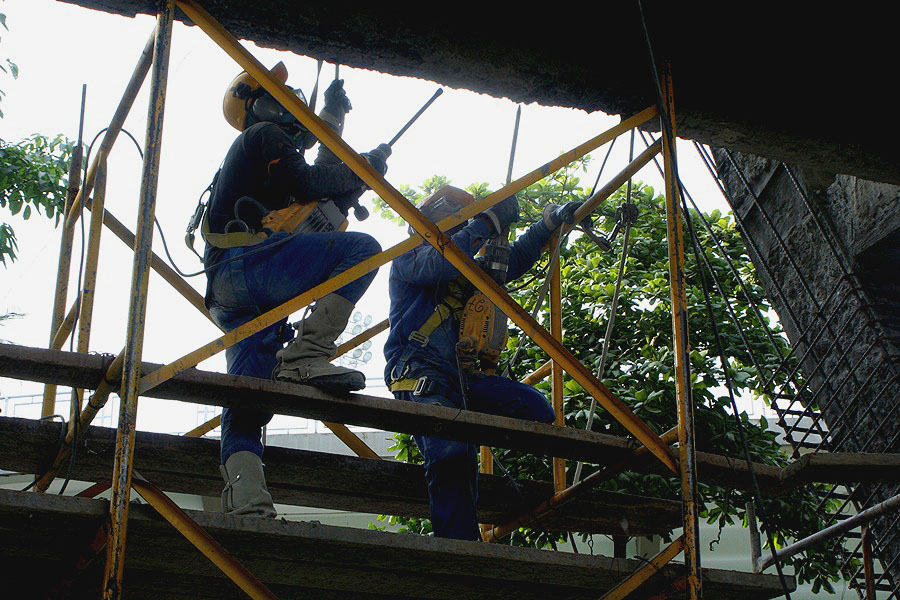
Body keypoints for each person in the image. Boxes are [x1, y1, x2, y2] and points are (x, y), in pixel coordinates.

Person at [204, 62, 388, 518]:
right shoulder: (260, 135)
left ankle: (247, 501)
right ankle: (306, 354)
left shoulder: (271, 170)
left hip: (234, 294)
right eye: (278, 96)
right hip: (248, 267)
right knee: (363, 250)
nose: (290, 102)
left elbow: (318, 177)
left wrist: (333, 114)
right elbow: (312, 180)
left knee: (246, 399)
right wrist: (362, 170)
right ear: (258, 106)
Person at [383, 186, 581, 539]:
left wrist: (548, 223)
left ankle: (464, 532)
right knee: (450, 452)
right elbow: (441, 264)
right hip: (420, 372)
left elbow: (511, 262)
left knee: (535, 408)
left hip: (461, 378)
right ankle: (458, 546)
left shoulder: (464, 268)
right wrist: (488, 222)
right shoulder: (409, 258)